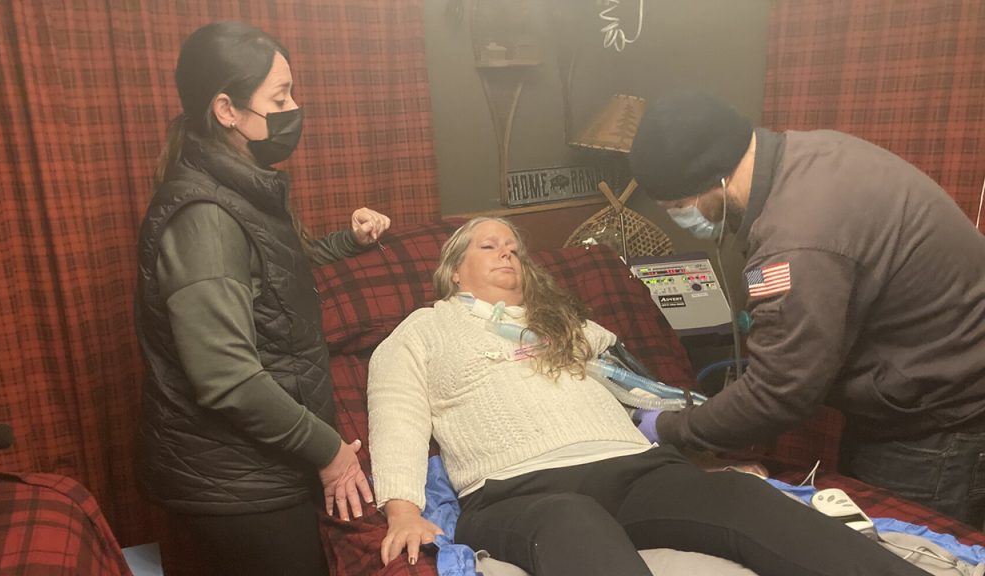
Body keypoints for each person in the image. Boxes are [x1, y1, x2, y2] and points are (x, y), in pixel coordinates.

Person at [367, 217, 928, 576]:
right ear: (452, 272)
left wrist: (708, 454)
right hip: (518, 487)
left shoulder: (566, 324)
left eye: (515, 247)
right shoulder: (422, 330)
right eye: (489, 245)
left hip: (634, 467)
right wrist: (403, 510)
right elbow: (397, 415)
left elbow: (642, 392)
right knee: (572, 518)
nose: (508, 254)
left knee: (740, 496)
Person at [627, 90, 985, 528]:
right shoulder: (810, 153)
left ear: (715, 180)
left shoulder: (797, 237)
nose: (680, 219)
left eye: (677, 208)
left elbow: (780, 394)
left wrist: (669, 429)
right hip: (914, 390)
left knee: (902, 553)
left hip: (938, 424)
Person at [135, 22, 388, 575]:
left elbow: (271, 273)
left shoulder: (238, 186)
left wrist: (349, 242)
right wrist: (328, 450)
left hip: (262, 468)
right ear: (226, 110)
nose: (294, 108)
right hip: (233, 482)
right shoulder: (203, 215)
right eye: (280, 97)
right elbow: (225, 376)